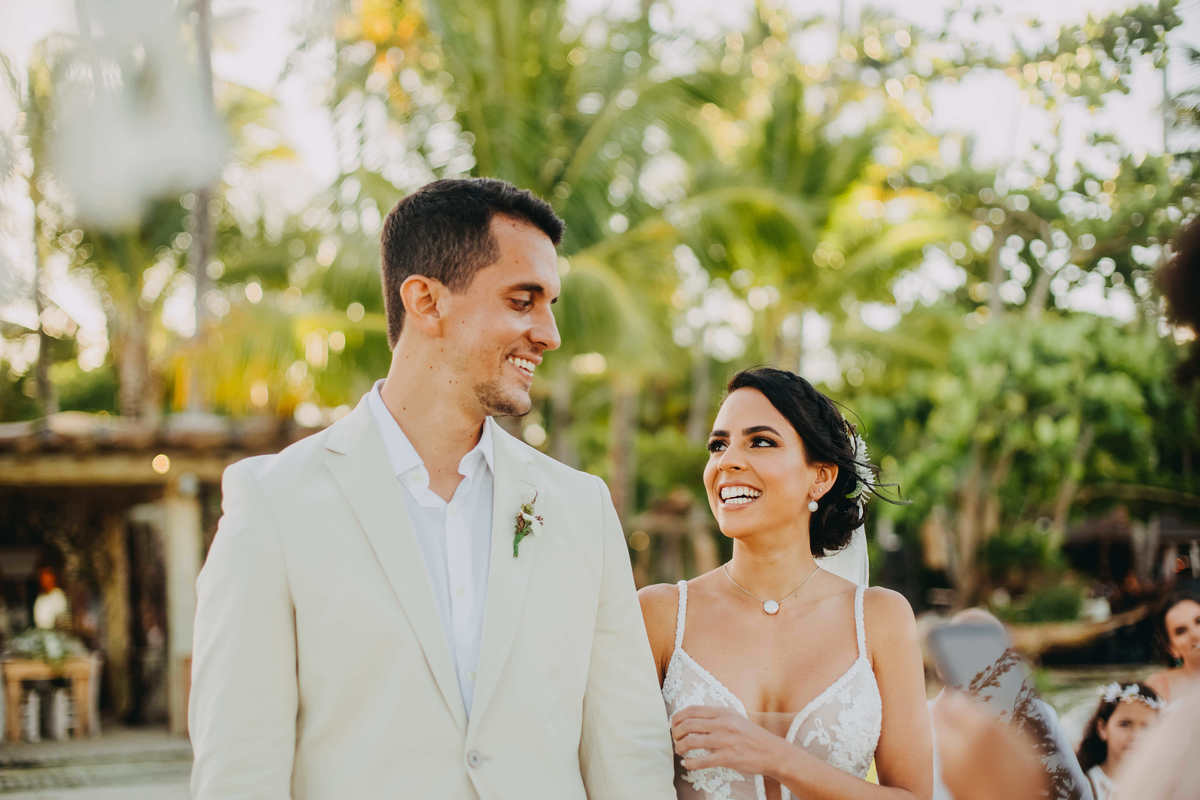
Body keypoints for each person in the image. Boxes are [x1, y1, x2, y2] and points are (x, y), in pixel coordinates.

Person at [189, 178, 676, 799]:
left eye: (550, 303)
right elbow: (239, 769)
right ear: (425, 300)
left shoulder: (580, 509)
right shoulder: (273, 503)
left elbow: (627, 752)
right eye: (523, 301)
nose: (550, 334)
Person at [639, 367, 932, 800]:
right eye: (718, 445)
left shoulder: (880, 618)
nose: (728, 461)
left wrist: (777, 757)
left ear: (822, 477)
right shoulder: (660, 615)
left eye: (761, 441)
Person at [1074, 681, 1162, 800]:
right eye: (1125, 724)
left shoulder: (1163, 783)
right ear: (1102, 728)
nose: (1136, 735)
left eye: (1146, 727)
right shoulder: (1084, 786)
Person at [1145, 588, 1200, 702]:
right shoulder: (1158, 687)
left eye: (1199, 621)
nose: (1195, 634)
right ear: (1171, 648)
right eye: (1181, 631)